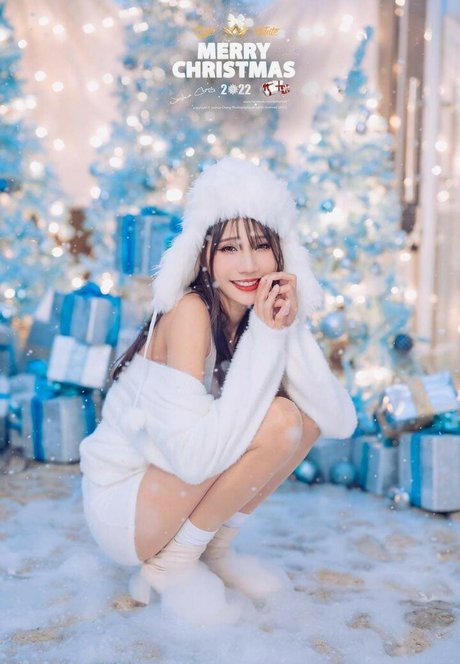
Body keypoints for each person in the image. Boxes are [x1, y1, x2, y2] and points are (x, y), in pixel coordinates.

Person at [79, 157, 357, 625]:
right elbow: (193, 458)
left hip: (169, 480)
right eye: (229, 247)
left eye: (262, 245)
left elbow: (336, 420)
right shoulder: (190, 311)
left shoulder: (249, 312)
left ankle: (211, 550)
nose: (248, 264)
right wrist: (266, 336)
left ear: (282, 253)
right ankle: (171, 563)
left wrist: (288, 325)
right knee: (280, 420)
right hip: (125, 501)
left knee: (301, 418)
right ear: (203, 253)